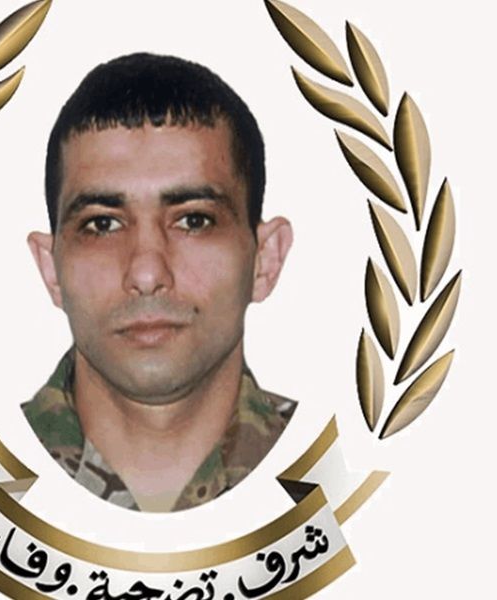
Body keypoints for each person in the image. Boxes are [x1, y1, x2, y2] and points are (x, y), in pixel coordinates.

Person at [24, 53, 295, 512]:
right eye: (102, 225)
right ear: (51, 269)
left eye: (194, 220)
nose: (147, 274)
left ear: (264, 261)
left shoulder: (338, 483)